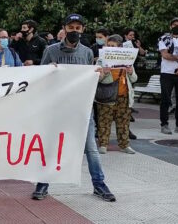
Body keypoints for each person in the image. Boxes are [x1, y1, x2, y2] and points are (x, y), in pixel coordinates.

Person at [32, 14, 116, 203]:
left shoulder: (86, 53)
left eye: (78, 28)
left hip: (82, 109)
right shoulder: (50, 50)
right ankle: (43, 184)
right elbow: (40, 76)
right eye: (71, 27)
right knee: (51, 147)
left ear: (82, 30)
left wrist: (100, 74)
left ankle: (99, 184)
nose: (74, 31)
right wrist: (48, 71)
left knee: (91, 150)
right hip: (57, 109)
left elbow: (90, 79)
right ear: (64, 28)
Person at [95, 35, 137, 155]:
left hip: (124, 96)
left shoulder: (127, 60)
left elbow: (134, 79)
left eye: (113, 46)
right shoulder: (101, 60)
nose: (110, 48)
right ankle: (103, 145)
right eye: (108, 45)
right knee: (104, 121)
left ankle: (124, 145)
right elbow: (97, 79)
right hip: (106, 96)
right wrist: (104, 73)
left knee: (123, 122)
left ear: (119, 47)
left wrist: (130, 72)